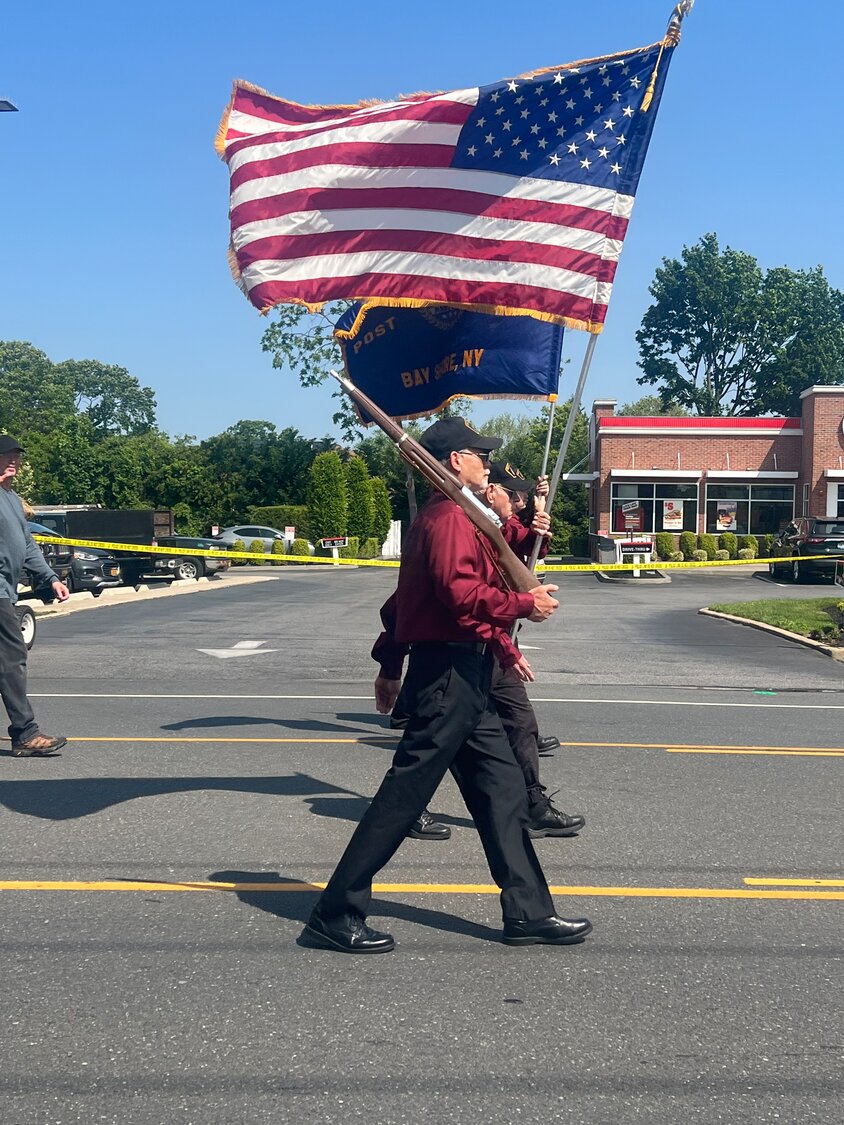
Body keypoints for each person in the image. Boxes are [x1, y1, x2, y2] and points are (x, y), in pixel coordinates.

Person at [302, 417, 592, 954]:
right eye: (481, 454)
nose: (488, 463)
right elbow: (460, 596)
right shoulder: (448, 519)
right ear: (455, 460)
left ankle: (528, 913)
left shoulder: (462, 516)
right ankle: (334, 911)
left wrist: (504, 641)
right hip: (447, 678)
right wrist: (524, 605)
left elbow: (447, 596)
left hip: (470, 674)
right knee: (402, 798)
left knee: (503, 794)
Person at [484, 461, 585, 837]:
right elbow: (470, 598)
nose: (517, 499)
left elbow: (524, 546)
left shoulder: (497, 523)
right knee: (432, 746)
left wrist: (539, 520)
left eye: (519, 493)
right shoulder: (466, 524)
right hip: (464, 648)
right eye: (511, 493)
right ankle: (403, 810)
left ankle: (531, 805)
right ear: (491, 491)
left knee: (519, 723)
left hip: (494, 641)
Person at [0, 434, 71, 756]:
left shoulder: (12, 499)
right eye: (7, 455)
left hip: (6, 590)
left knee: (10, 661)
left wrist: (51, 577)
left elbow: (28, 546)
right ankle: (25, 733)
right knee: (12, 658)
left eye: (17, 456)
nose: (14, 460)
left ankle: (24, 731)